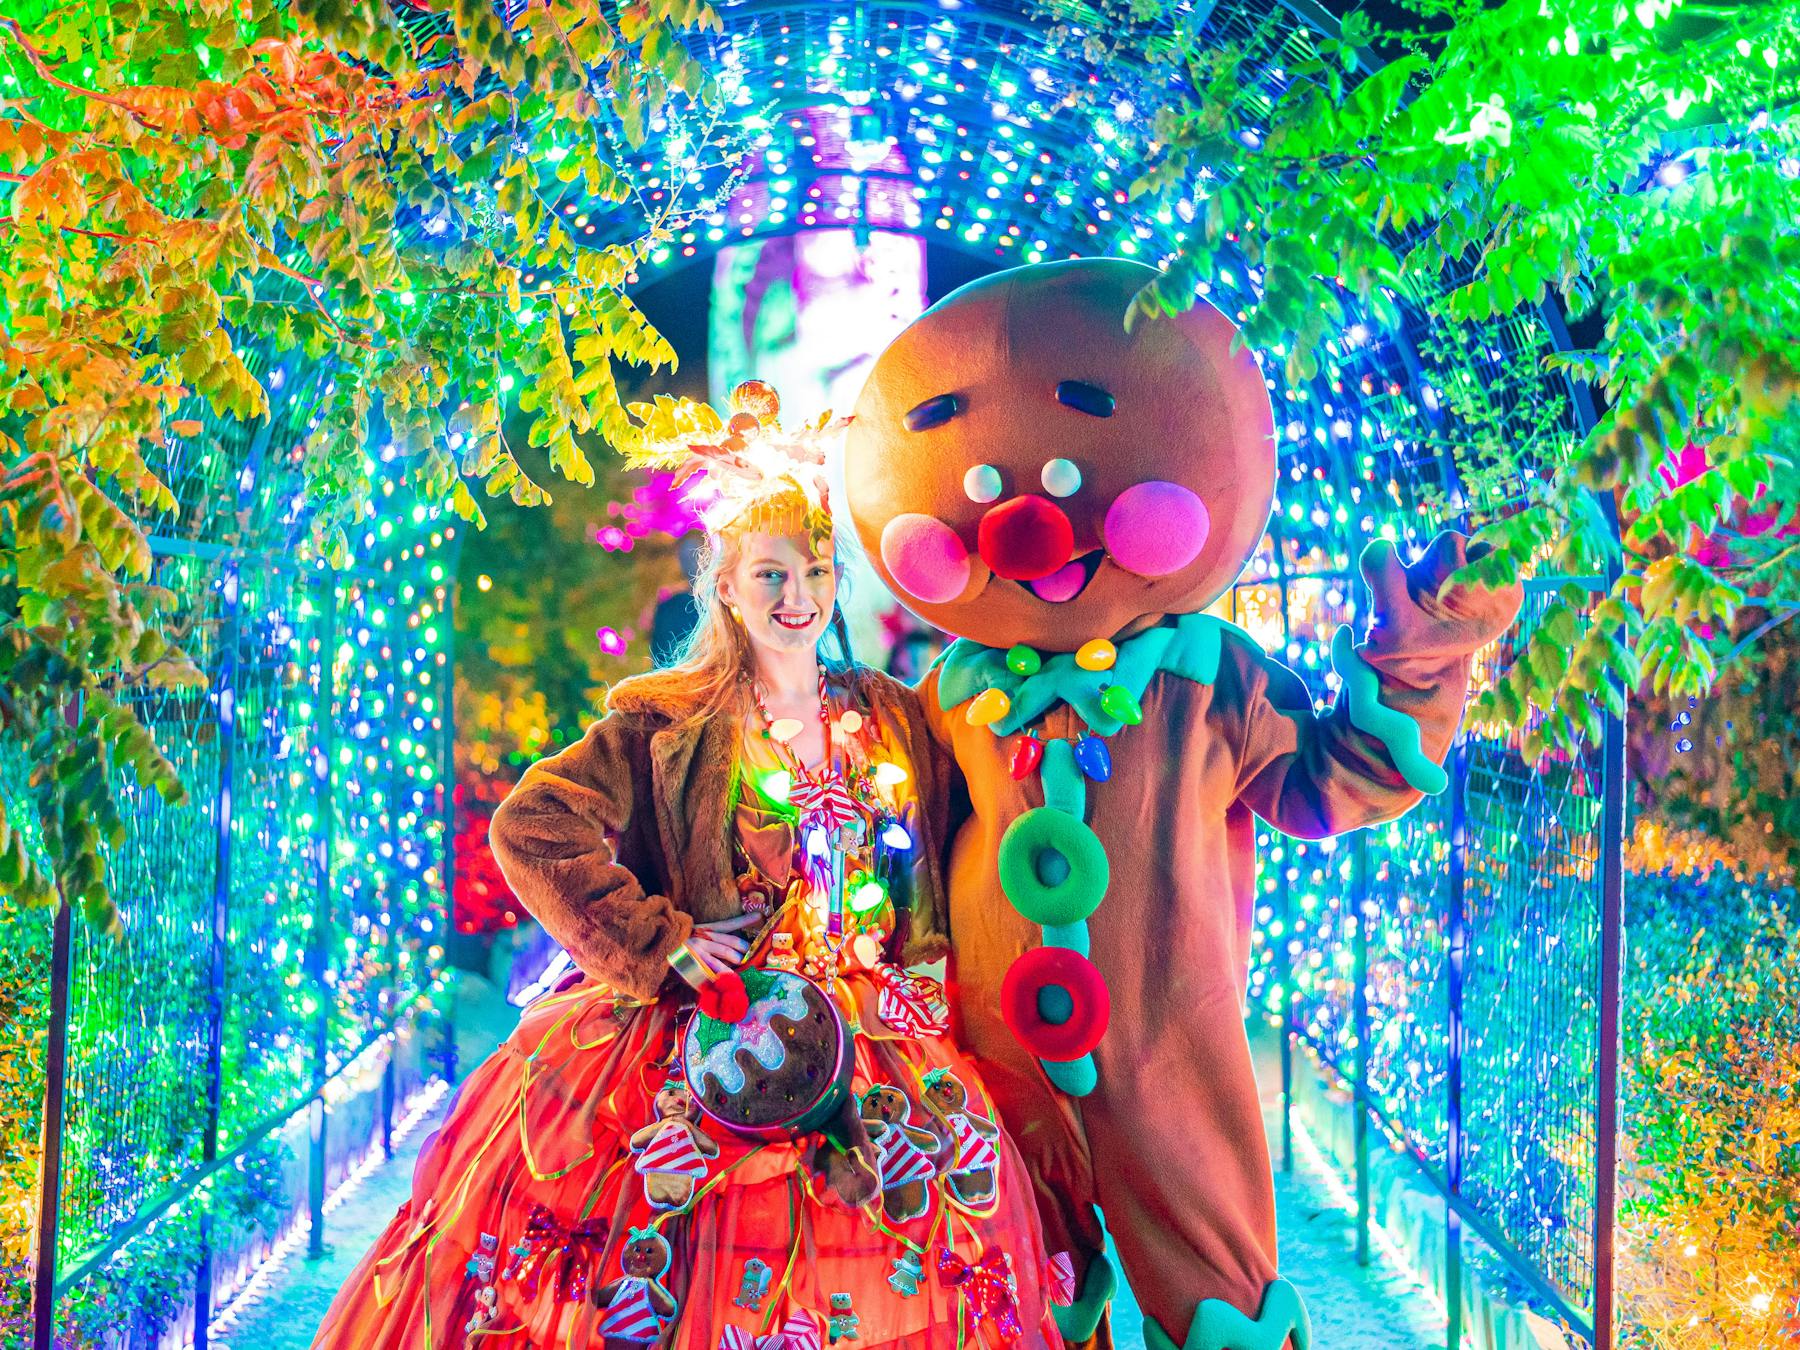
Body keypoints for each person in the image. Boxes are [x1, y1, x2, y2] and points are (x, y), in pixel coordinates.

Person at [310, 382, 1067, 1350]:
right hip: (704, 1038)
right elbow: (532, 826)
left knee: (906, 1268)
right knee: (690, 1279)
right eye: (772, 577)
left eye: (818, 574)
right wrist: (656, 942)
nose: (799, 600)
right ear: (726, 585)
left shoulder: (892, 712)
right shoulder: (667, 721)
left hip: (878, 1039)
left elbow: (970, 826)